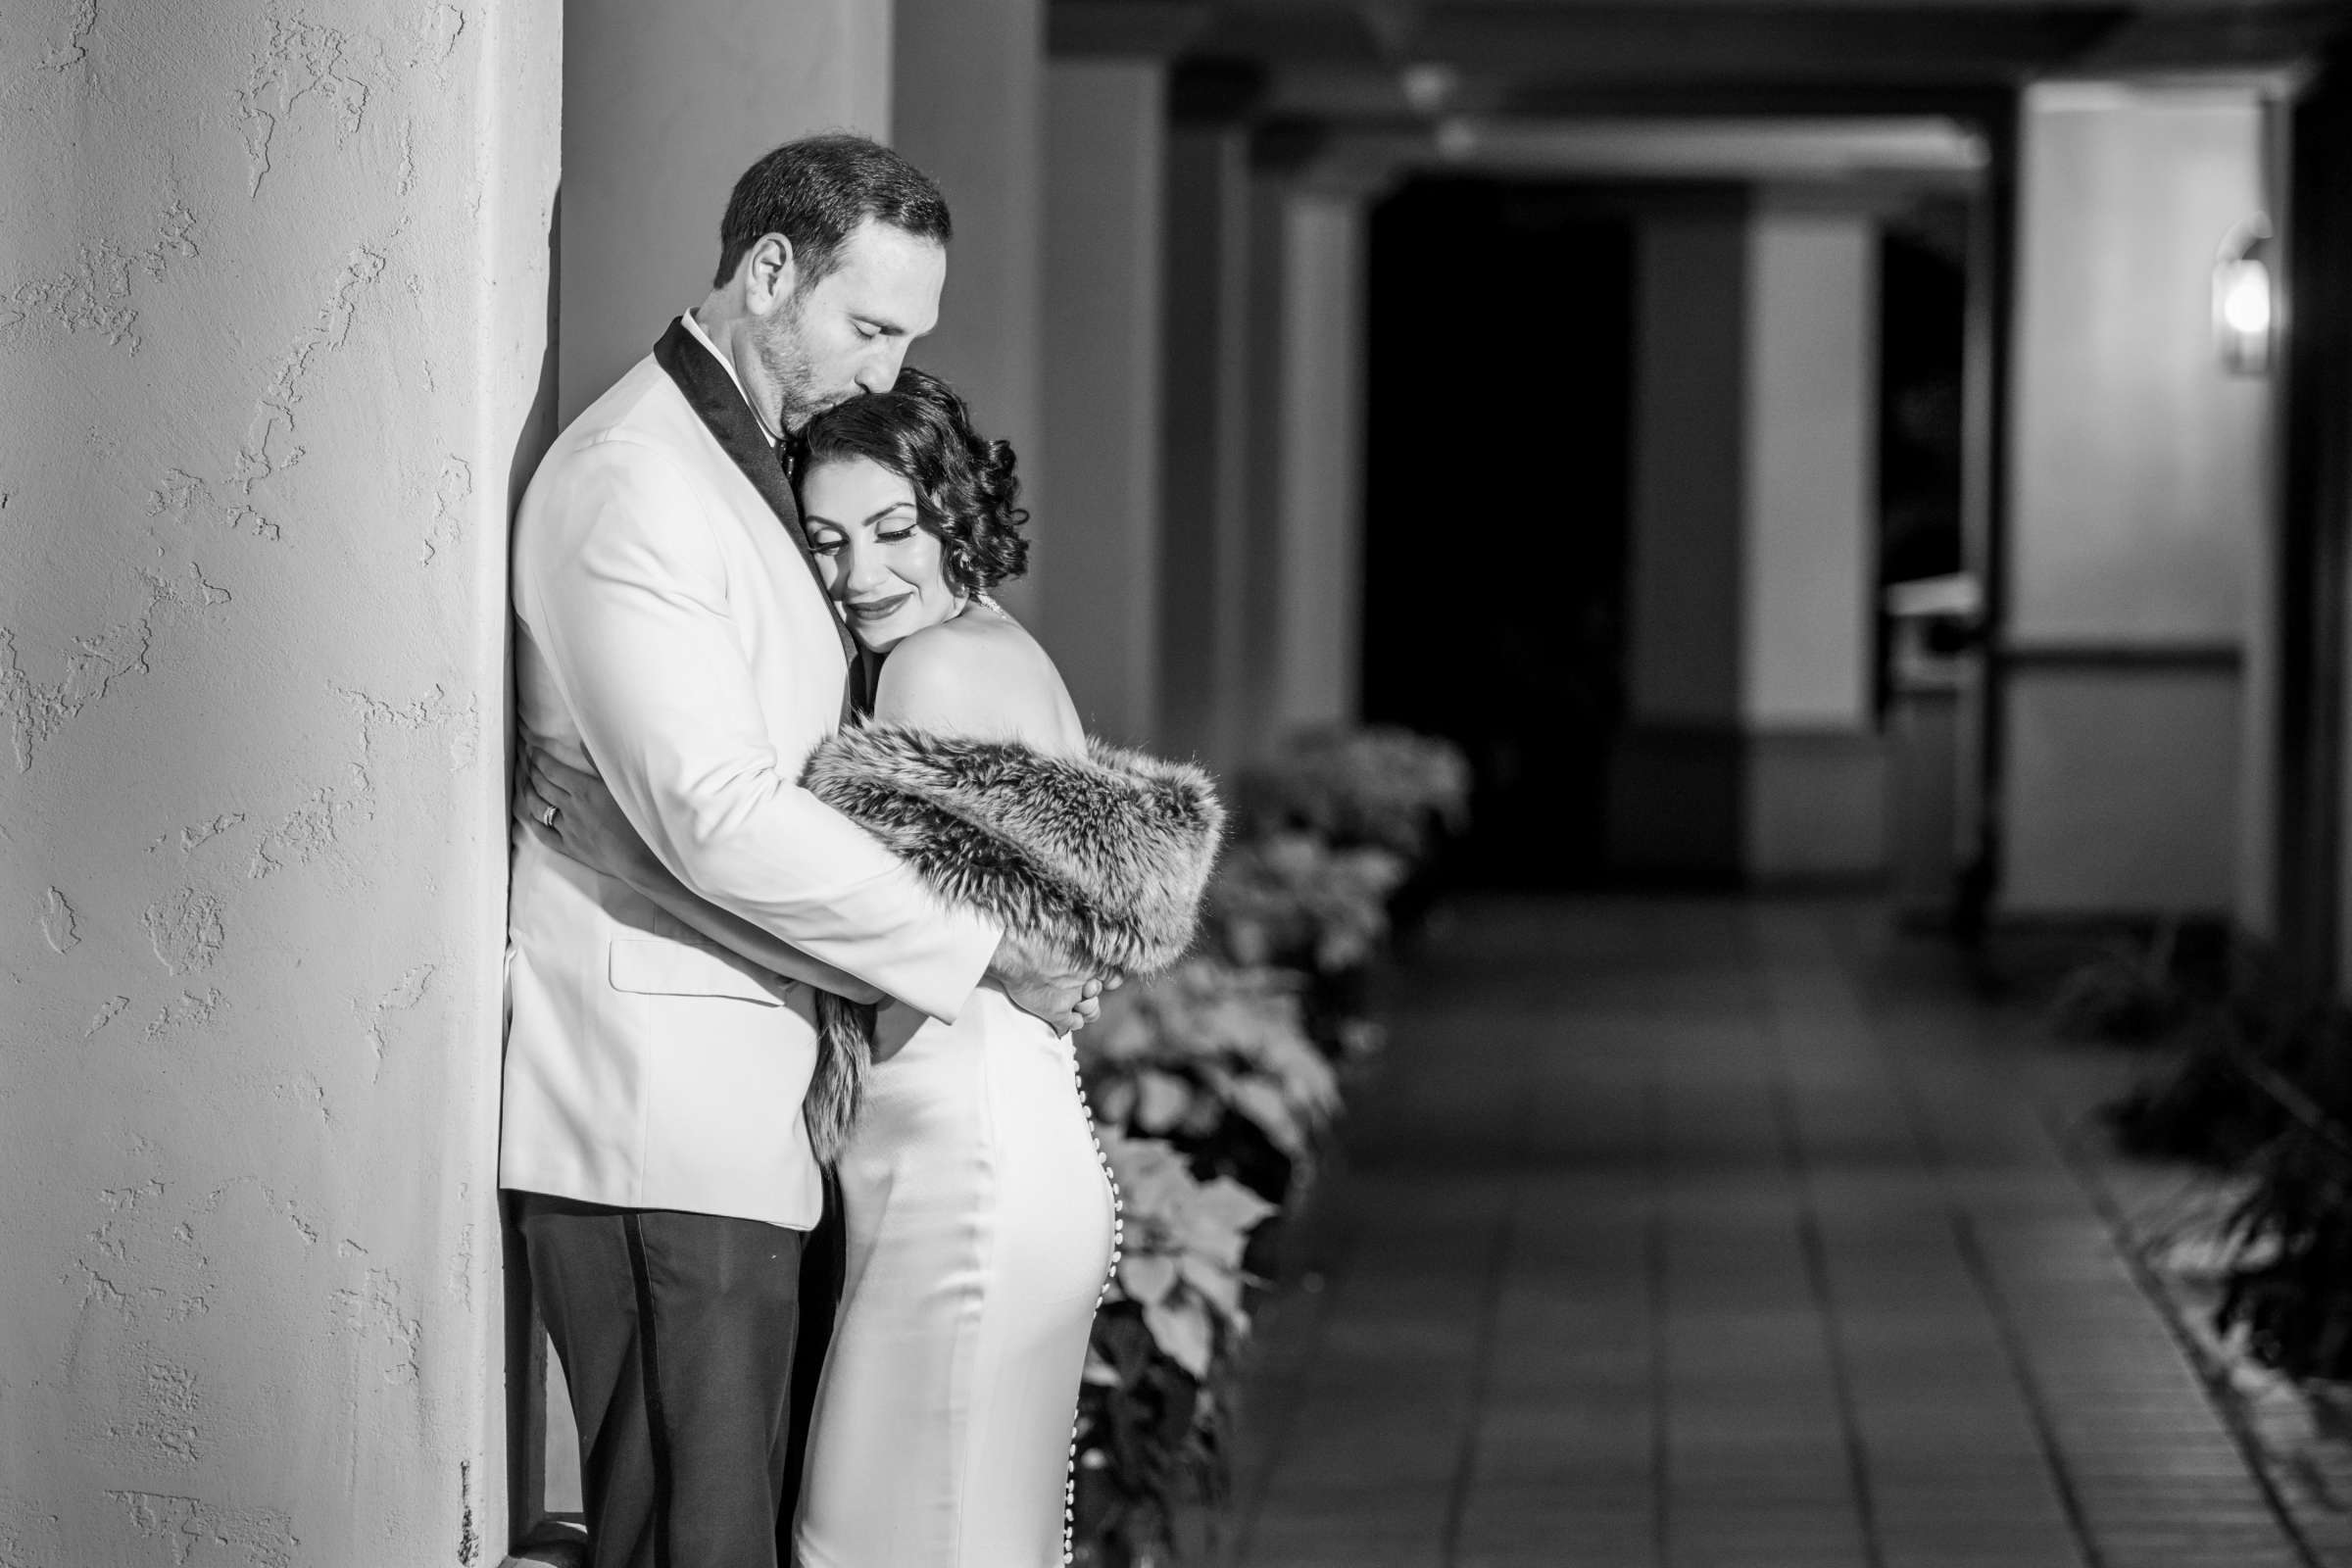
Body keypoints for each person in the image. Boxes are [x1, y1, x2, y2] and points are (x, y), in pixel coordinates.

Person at [502, 134, 1102, 1568]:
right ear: (770, 269)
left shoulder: (749, 465)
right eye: (871, 325)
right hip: (665, 1116)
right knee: (688, 1544)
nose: (888, 373)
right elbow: (717, 814)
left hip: (763, 1119)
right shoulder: (633, 479)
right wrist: (984, 951)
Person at [518, 368, 1223, 1568]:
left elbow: (850, 936)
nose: (861, 574)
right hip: (983, 1157)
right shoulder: (980, 646)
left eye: (897, 529)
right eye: (830, 540)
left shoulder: (930, 672)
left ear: (962, 510)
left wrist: (626, 853)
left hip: (968, 1175)